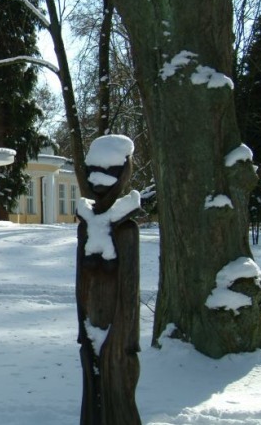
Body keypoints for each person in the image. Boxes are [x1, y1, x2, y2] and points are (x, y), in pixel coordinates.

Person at [76, 135, 142, 425]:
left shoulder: (126, 230)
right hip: (91, 320)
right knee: (92, 383)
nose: (99, 180)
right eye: (93, 171)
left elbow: (129, 286)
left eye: (109, 172)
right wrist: (83, 325)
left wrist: (123, 332)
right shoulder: (85, 226)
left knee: (117, 379)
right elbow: (80, 282)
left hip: (118, 330)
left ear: (123, 173)